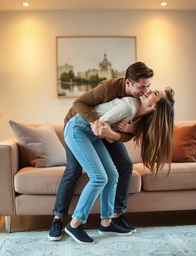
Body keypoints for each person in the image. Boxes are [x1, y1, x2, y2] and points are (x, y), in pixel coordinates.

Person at [48, 62, 154, 241]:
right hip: (81, 125)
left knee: (118, 170)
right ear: (128, 83)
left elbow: (125, 135)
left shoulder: (139, 103)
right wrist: (99, 125)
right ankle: (62, 219)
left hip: (100, 131)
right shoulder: (108, 88)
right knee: (76, 171)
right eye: (141, 86)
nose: (145, 90)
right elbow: (79, 103)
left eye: (148, 86)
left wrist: (127, 130)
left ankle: (110, 220)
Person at [63, 87, 175, 244]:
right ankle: (75, 224)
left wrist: (117, 132)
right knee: (99, 178)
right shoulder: (129, 105)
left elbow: (106, 130)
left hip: (90, 135)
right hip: (78, 130)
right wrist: (110, 134)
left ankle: (106, 223)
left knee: (113, 175)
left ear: (155, 107)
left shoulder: (137, 114)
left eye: (155, 93)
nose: (150, 90)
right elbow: (98, 127)